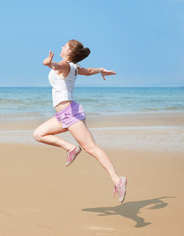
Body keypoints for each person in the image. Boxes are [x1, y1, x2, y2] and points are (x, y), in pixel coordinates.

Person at [33, 39, 127, 203]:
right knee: (39, 134)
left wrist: (48, 63)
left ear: (69, 52)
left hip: (71, 113)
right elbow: (89, 71)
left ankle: (117, 180)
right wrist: (102, 70)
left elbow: (56, 66)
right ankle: (71, 148)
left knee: (91, 148)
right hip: (65, 115)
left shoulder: (66, 65)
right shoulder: (75, 68)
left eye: (65, 45)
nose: (61, 46)